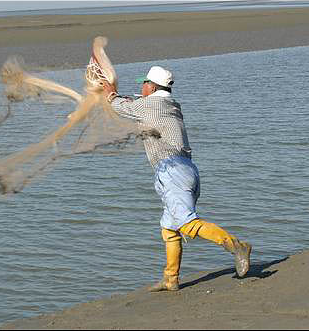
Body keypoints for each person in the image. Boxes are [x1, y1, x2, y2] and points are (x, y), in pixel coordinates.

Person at [102, 66, 252, 292]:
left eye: (143, 83)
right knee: (170, 228)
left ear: (151, 86)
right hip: (184, 169)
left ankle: (237, 246)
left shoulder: (151, 105)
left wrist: (111, 93)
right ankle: (171, 279)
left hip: (172, 171)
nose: (141, 87)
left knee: (187, 223)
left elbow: (120, 107)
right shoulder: (169, 105)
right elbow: (136, 105)